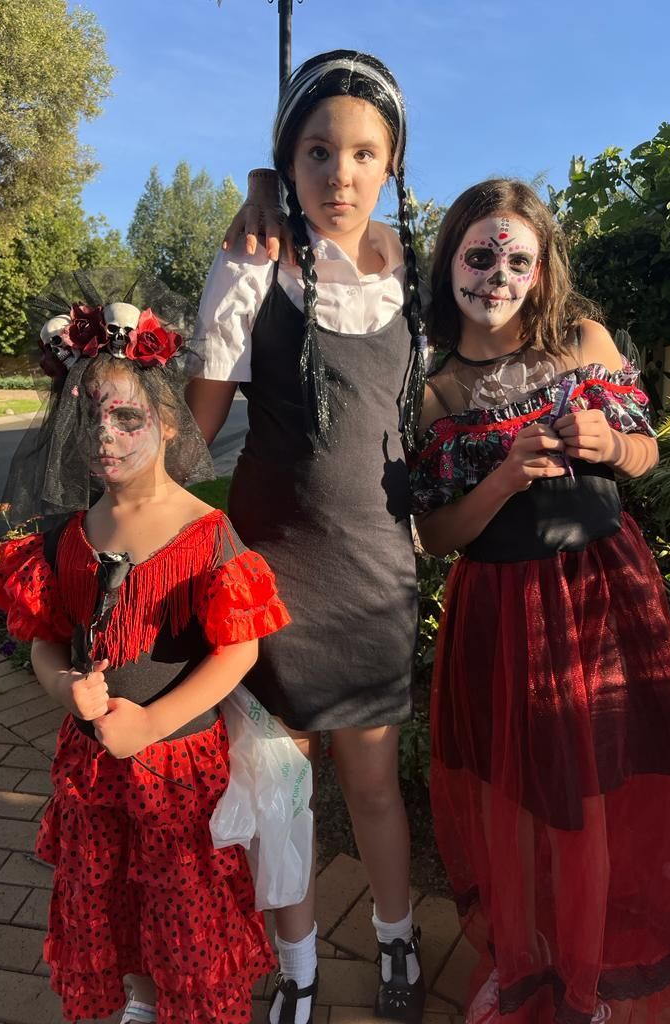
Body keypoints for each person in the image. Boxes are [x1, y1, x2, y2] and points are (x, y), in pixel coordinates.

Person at [409, 179, 670, 1024]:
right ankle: (526, 957)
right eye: (479, 256)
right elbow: (433, 536)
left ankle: (597, 963)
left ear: (542, 270)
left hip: (603, 594)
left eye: (519, 260)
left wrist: (612, 443)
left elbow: (646, 455)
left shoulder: (583, 341)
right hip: (501, 611)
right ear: (450, 262)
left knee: (605, 779)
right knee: (519, 792)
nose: (498, 276)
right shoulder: (437, 391)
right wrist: (502, 480)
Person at [0, 272, 291, 1024]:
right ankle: (141, 1004)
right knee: (111, 893)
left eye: (126, 417)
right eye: (88, 418)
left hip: (176, 769)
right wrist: (61, 688)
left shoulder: (203, 534)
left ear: (170, 423)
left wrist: (152, 722)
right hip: (93, 768)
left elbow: (239, 651)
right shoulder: (70, 535)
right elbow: (47, 640)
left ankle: (187, 1007)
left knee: (182, 902)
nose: (105, 436)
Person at [187, 51, 427, 1024]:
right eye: (317, 150)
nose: (341, 173)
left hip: (375, 577)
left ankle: (397, 940)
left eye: (364, 152)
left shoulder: (418, 269)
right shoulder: (253, 262)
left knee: (373, 786)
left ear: (393, 162)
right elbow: (193, 431)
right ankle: (297, 971)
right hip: (269, 577)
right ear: (288, 157)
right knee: (279, 792)